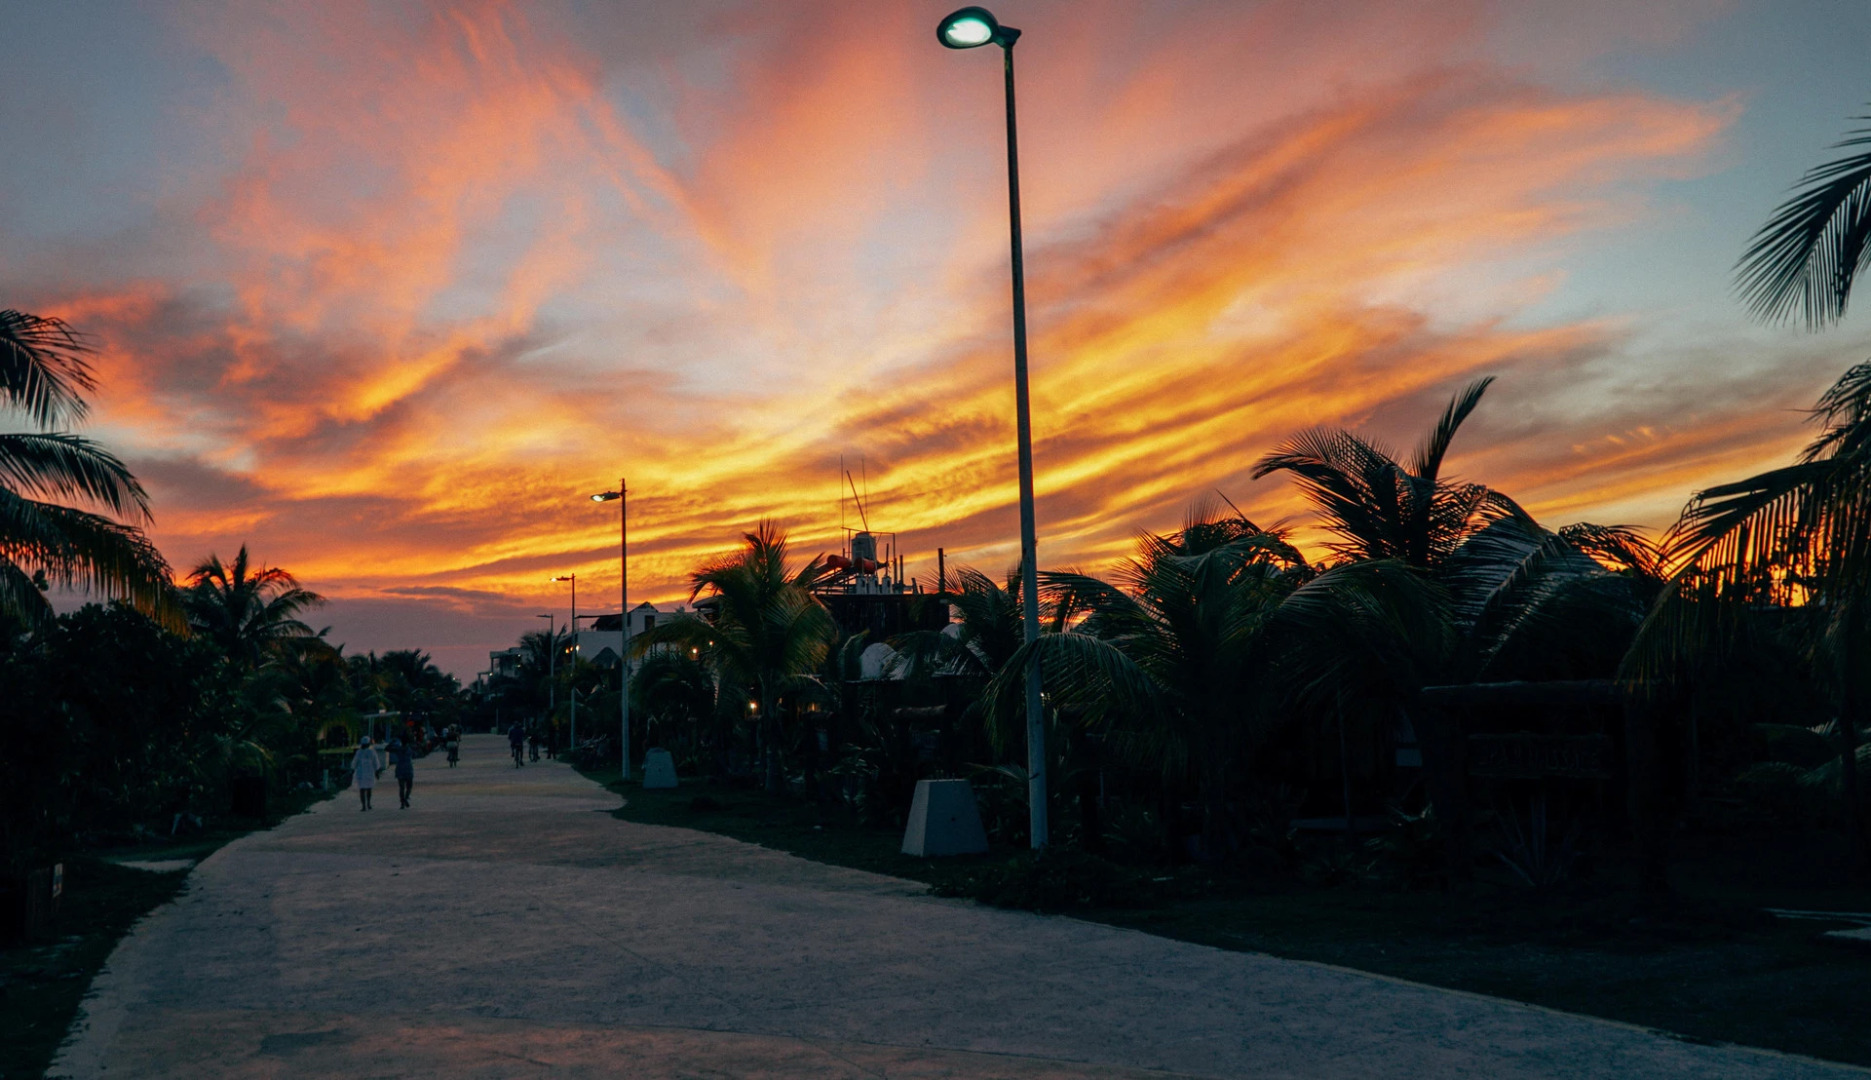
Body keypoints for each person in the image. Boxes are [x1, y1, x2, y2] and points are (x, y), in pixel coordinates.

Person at [350, 736, 381, 811]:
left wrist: (352, 769)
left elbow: (354, 762)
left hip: (361, 772)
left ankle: (364, 805)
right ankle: (368, 804)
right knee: (368, 789)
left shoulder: (359, 752)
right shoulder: (372, 752)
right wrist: (377, 771)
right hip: (369, 772)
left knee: (362, 789)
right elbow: (376, 762)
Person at [390, 737, 415, 809]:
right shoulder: (410, 749)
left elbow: (387, 748)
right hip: (408, 769)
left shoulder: (398, 749)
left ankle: (402, 803)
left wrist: (392, 742)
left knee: (401, 788)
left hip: (400, 769)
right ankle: (406, 798)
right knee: (409, 787)